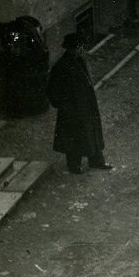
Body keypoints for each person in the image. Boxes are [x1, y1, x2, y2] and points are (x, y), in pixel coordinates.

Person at [46, 33, 112, 174]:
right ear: (71, 48)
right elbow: (52, 91)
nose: (82, 50)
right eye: (79, 47)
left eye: (82, 47)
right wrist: (65, 106)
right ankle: (74, 166)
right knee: (74, 137)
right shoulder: (61, 66)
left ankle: (96, 161)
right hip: (73, 109)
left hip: (86, 105)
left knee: (91, 133)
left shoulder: (79, 60)